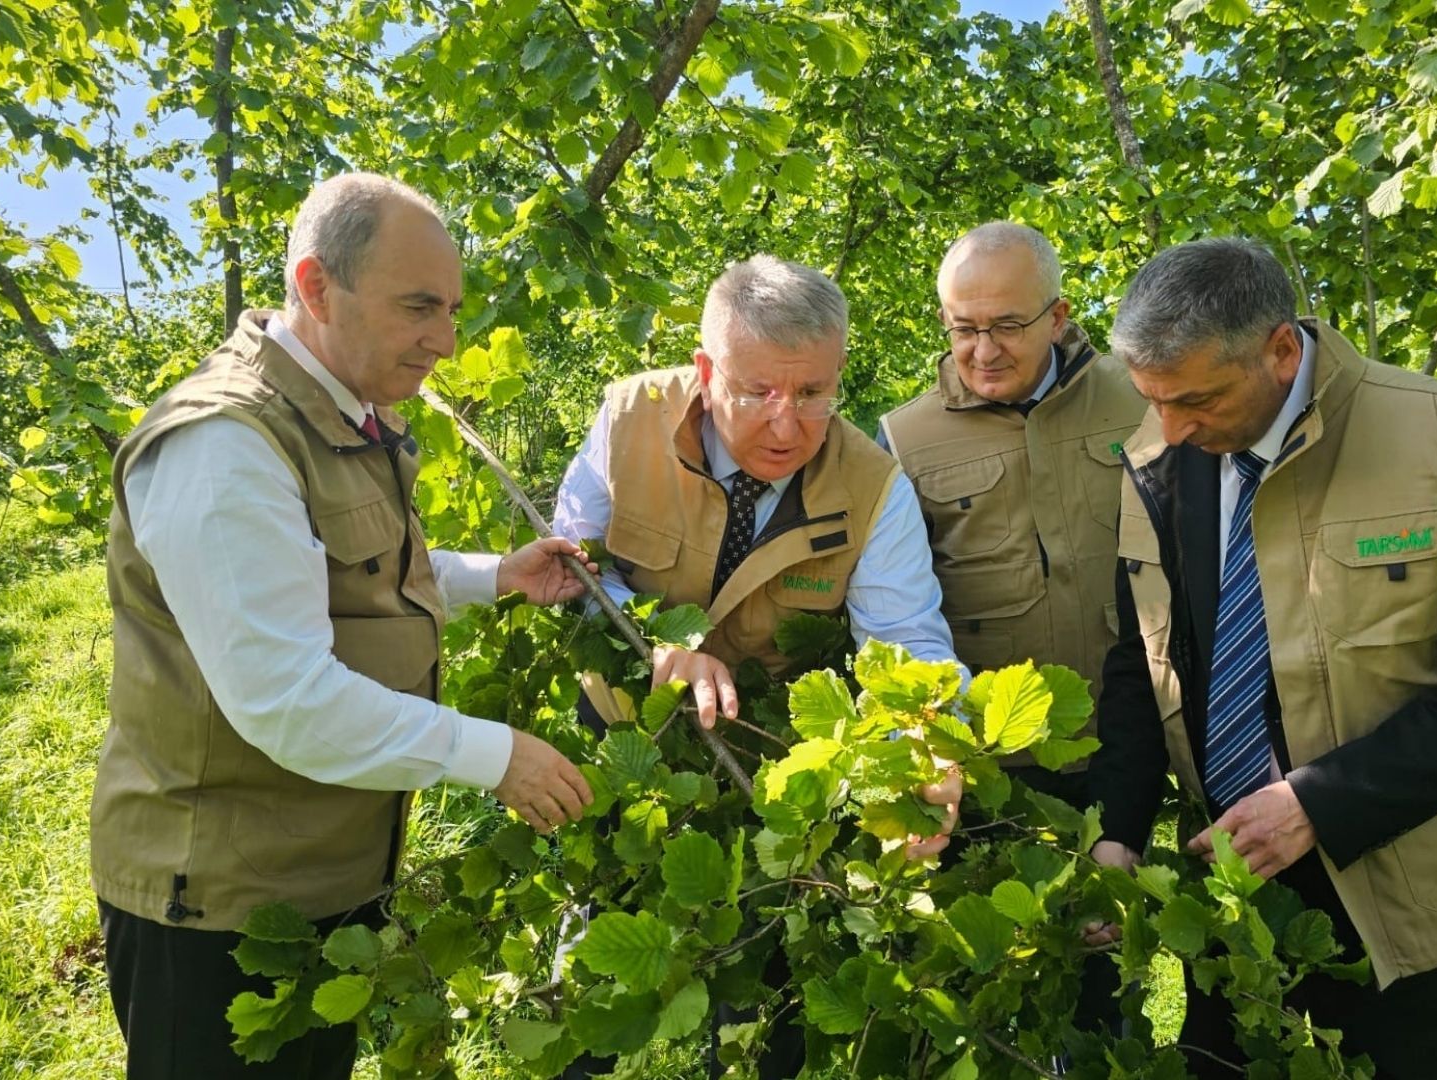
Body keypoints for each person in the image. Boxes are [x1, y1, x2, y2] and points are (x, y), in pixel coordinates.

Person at [90, 172, 597, 1079]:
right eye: (418, 307)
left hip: (317, 876)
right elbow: (286, 701)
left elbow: (346, 575)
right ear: (317, 286)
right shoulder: (226, 444)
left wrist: (496, 576)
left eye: (451, 309)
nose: (445, 340)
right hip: (215, 909)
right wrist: (497, 756)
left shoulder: (342, 412)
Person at [1086, 237, 1437, 1078]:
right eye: (1152, 400)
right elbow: (1145, 656)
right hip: (1232, 874)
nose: (1172, 427)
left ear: (1281, 350)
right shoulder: (1162, 454)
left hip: (1408, 883)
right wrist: (1118, 829)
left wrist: (1317, 803)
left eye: (1197, 399)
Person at [552, 254, 967, 1077]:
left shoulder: (873, 486)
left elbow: (908, 641)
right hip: (622, 738)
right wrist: (657, 641)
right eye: (758, 392)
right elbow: (572, 570)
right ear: (707, 372)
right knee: (594, 958)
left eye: (813, 393)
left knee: (762, 983)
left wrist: (925, 742)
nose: (787, 425)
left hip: (770, 764)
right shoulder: (628, 419)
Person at [878, 221, 1149, 1038]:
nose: (983, 350)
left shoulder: (1141, 398)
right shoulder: (903, 439)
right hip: (985, 774)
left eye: (1006, 326)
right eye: (963, 328)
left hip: (1122, 747)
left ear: (1058, 316)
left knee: (1103, 993)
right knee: (983, 1001)